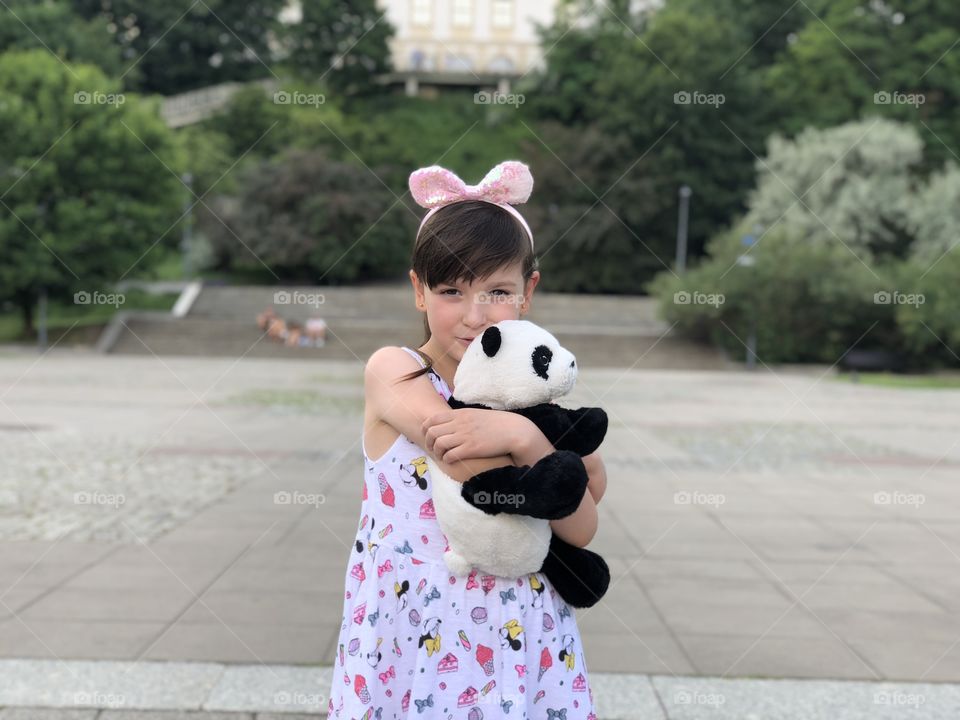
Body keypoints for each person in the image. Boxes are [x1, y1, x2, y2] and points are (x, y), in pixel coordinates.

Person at [327, 161, 606, 720]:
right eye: (451, 289)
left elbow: (581, 526)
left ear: (527, 292)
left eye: (497, 290)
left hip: (519, 623)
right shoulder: (396, 372)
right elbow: (463, 461)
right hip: (416, 623)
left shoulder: (536, 400)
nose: (475, 315)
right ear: (418, 290)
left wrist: (525, 436)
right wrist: (536, 446)